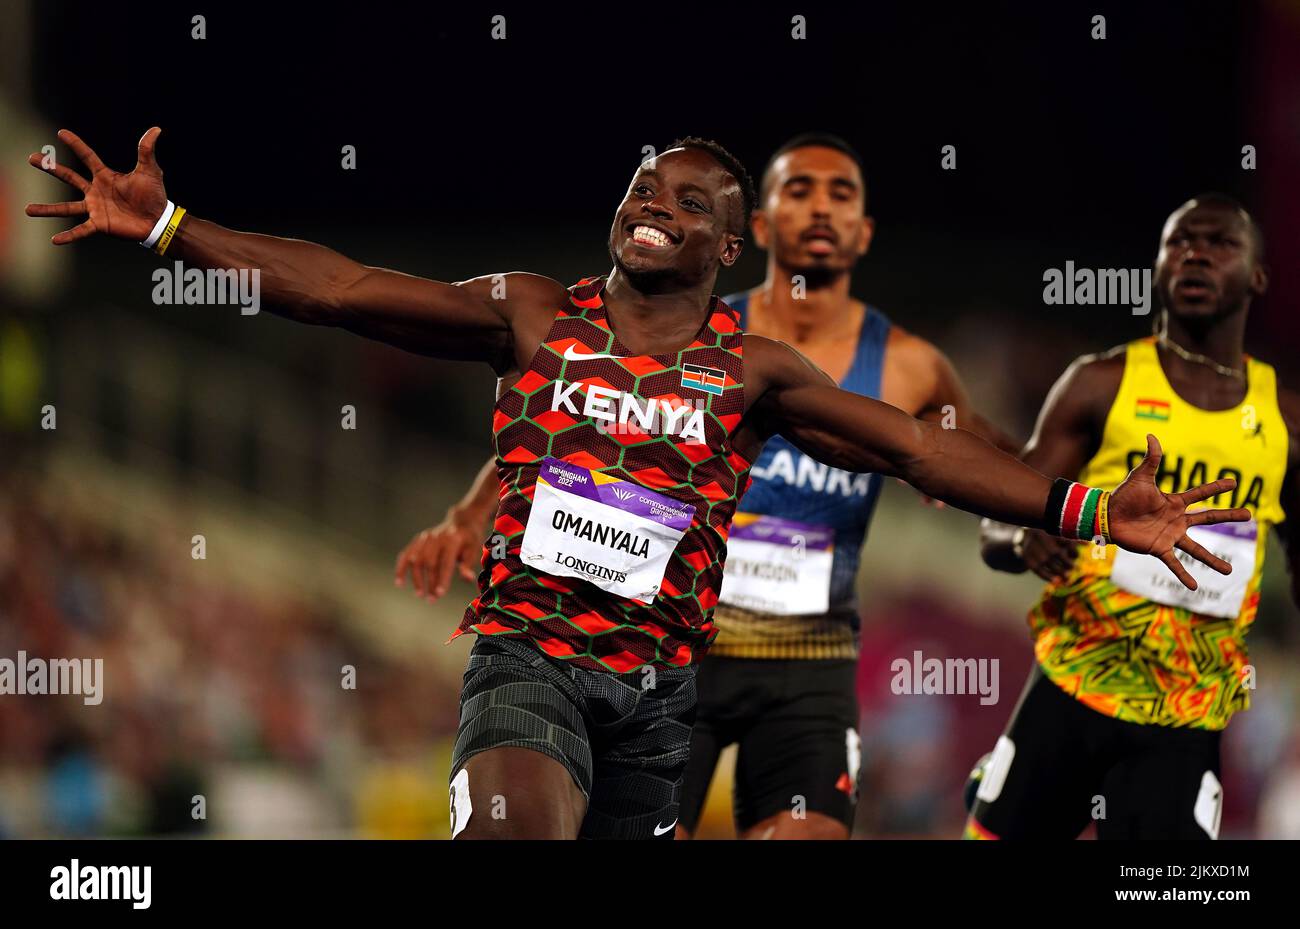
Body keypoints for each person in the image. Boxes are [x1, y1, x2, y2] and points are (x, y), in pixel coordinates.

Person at [28, 128, 1247, 840]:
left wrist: (1083, 506)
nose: (651, 205)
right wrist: (171, 228)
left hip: (662, 700)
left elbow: (917, 446)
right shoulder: (528, 313)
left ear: (729, 249)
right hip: (529, 666)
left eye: (687, 202)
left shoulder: (751, 370)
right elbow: (338, 287)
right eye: (642, 185)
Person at [397, 133, 1020, 840]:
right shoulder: (684, 322)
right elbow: (563, 437)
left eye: (839, 194)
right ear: (755, 228)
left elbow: (950, 451)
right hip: (688, 647)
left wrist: (1054, 510)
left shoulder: (901, 364)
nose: (817, 211)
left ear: (864, 229)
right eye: (798, 191)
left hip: (802, 655)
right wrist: (469, 513)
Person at [969, 195, 1299, 839]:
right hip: (1070, 688)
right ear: (1155, 265)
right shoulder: (1101, 383)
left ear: (1258, 275)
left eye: (1220, 243)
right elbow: (998, 518)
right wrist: (1020, 541)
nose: (1196, 253)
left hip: (1187, 718)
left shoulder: (1286, 421)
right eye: (1179, 242)